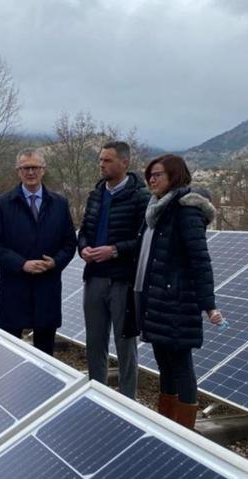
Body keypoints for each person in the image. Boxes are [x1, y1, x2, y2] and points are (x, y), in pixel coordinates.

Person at [134, 154, 223, 429]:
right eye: (150, 174)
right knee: (164, 362)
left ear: (174, 176)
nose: (152, 179)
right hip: (156, 298)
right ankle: (167, 423)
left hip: (177, 301)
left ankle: (185, 429)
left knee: (181, 365)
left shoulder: (186, 210)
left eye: (158, 174)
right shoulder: (157, 209)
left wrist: (209, 305)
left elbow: (200, 259)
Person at [0, 148, 77, 355]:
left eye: (35, 167)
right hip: (14, 290)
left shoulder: (59, 204)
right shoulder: (3, 204)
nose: (30, 172)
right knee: (8, 354)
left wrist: (55, 262)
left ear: (43, 170)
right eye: (25, 168)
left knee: (45, 356)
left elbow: (70, 243)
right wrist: (21, 264)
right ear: (18, 171)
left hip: (47, 289)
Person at [77, 141, 150, 399]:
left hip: (122, 280)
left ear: (124, 163)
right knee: (95, 341)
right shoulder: (96, 194)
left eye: (107, 160)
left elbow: (144, 239)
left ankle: (128, 399)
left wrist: (115, 250)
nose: (102, 165)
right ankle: (97, 394)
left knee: (124, 343)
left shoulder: (141, 197)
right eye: (100, 160)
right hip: (94, 276)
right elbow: (85, 229)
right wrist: (83, 248)